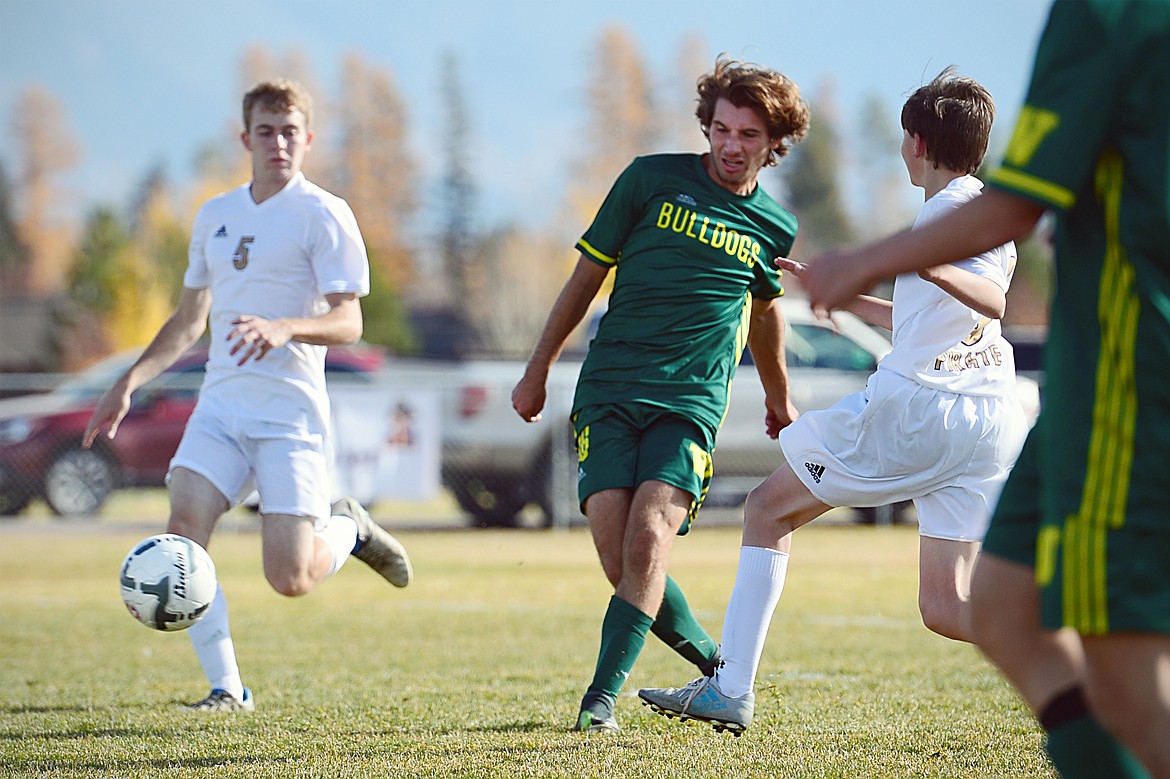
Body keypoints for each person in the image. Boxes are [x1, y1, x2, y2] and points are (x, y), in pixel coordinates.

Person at [787, 2, 1168, 777]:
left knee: (1128, 677)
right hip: (1066, 386)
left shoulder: (1109, 17)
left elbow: (1013, 213)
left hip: (1128, 375)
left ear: (918, 143)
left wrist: (865, 259)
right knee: (997, 610)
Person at [639, 67, 1030, 734]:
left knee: (765, 509)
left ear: (916, 141)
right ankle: (1085, 636)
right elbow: (934, 315)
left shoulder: (946, 216)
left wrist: (915, 256)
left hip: (921, 411)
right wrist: (841, 292)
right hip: (986, 414)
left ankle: (730, 688)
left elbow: (990, 299)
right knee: (944, 605)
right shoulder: (980, 208)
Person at [83, 79, 414, 713]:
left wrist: (287, 326)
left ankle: (349, 526)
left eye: (291, 131)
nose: (279, 142)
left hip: (290, 418)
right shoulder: (215, 215)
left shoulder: (325, 214)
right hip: (222, 412)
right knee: (184, 534)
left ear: (308, 139)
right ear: (246, 138)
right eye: (266, 131)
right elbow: (187, 321)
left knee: (290, 579)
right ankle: (227, 690)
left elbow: (350, 322)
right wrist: (127, 381)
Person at [511, 56, 810, 733]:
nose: (732, 146)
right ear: (706, 125)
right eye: (722, 129)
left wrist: (779, 396)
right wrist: (537, 370)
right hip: (609, 388)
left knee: (650, 539)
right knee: (619, 554)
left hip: (691, 402)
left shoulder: (773, 225)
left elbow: (765, 313)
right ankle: (716, 664)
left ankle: (598, 702)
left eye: (750, 135)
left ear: (774, 143)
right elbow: (585, 277)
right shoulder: (649, 179)